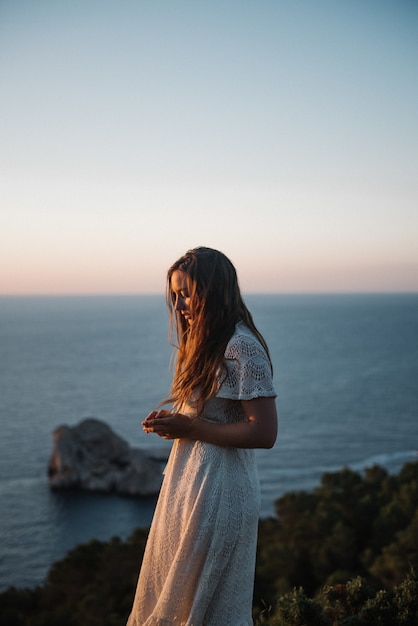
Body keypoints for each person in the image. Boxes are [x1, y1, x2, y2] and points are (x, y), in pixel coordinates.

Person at [127, 247, 278, 626]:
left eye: (187, 293)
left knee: (202, 605)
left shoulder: (242, 346)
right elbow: (209, 413)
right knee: (175, 594)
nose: (179, 305)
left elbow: (265, 431)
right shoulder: (203, 340)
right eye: (174, 295)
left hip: (222, 488)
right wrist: (176, 421)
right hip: (188, 482)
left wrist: (191, 428)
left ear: (215, 290)